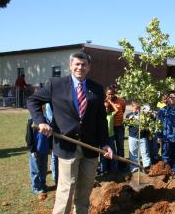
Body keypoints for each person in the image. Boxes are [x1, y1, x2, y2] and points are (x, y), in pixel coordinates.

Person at [27, 52, 113, 214]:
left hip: (91, 147)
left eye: (84, 64)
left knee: (85, 189)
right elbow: (33, 101)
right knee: (66, 189)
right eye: (77, 64)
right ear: (70, 66)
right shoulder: (56, 84)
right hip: (66, 146)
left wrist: (106, 143)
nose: (80, 67)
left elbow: (101, 119)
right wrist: (41, 121)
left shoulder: (97, 88)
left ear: (89, 67)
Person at [26, 104, 51, 200]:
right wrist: (32, 150)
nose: (43, 111)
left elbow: (49, 135)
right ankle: (35, 187)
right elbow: (29, 137)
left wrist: (49, 147)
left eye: (44, 109)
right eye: (41, 109)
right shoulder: (31, 121)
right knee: (35, 170)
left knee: (43, 169)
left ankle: (43, 185)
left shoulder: (47, 120)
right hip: (36, 151)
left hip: (44, 149)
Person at [157, 90, 175, 174]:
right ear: (167, 98)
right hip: (166, 136)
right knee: (165, 154)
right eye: (170, 97)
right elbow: (159, 123)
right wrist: (159, 136)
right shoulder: (162, 110)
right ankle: (166, 170)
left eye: (173, 97)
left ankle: (174, 170)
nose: (171, 99)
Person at [126, 101, 152, 172]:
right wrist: (129, 120)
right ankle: (134, 168)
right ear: (132, 107)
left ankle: (146, 167)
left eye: (139, 108)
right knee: (133, 152)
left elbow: (148, 125)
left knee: (145, 152)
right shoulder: (129, 115)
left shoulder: (144, 116)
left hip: (142, 137)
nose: (137, 110)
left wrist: (144, 127)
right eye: (136, 108)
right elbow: (127, 125)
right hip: (133, 136)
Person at [106, 86, 127, 172]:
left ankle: (121, 165)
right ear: (106, 94)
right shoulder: (105, 101)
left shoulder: (121, 101)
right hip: (109, 128)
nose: (110, 96)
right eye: (109, 94)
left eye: (112, 94)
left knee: (120, 146)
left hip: (119, 127)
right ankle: (111, 167)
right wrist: (109, 102)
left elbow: (123, 110)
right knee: (110, 147)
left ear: (115, 93)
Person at [99, 99, 118, 174]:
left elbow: (116, 110)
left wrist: (110, 102)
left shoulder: (111, 115)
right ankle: (103, 170)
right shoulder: (100, 117)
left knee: (113, 153)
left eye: (107, 107)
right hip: (103, 138)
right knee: (103, 154)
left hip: (110, 137)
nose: (106, 109)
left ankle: (114, 169)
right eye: (105, 107)